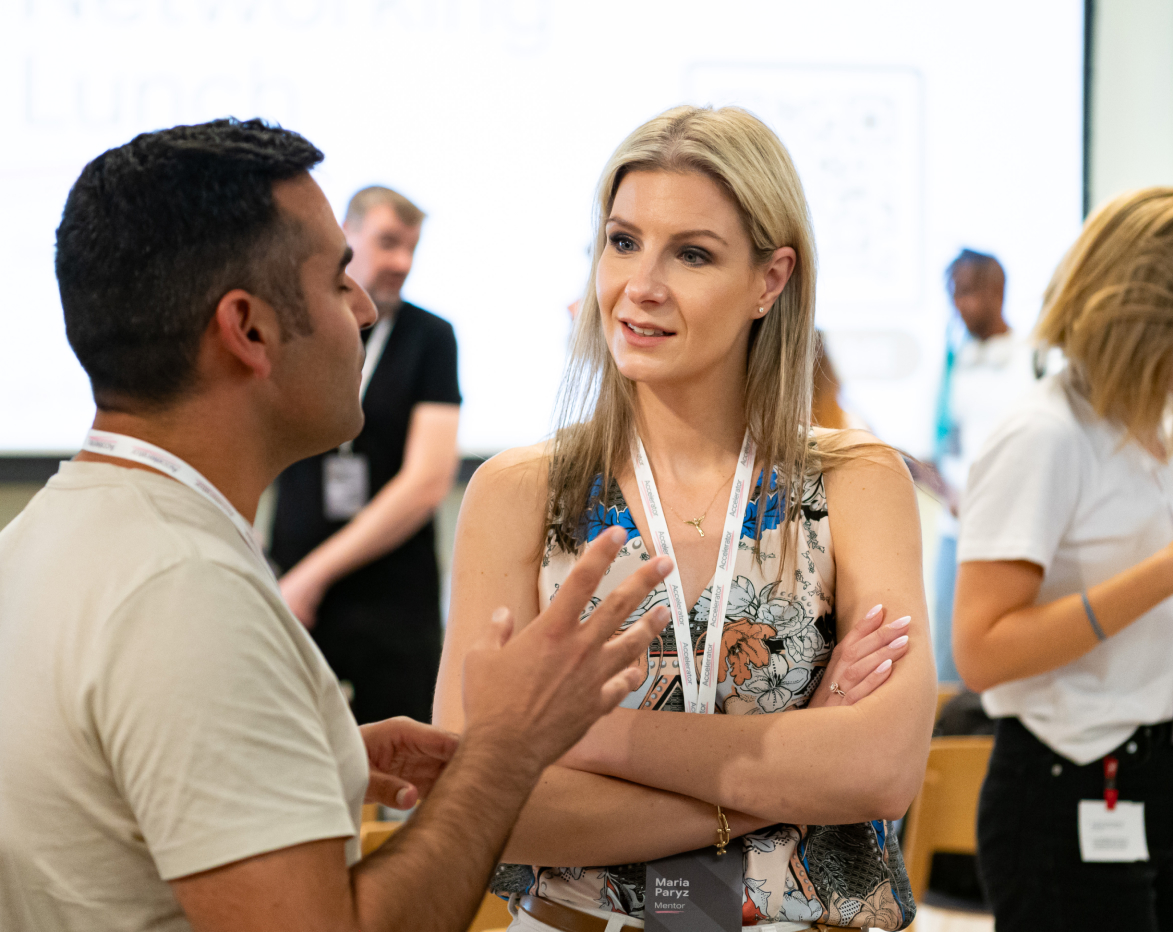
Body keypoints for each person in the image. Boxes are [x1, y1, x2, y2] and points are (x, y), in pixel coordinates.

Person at [0, 118, 673, 932]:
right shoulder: (186, 595)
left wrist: (312, 757)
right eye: (335, 279)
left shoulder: (47, 536)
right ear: (248, 329)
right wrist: (507, 750)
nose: (361, 309)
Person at [435, 105, 937, 932]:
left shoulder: (858, 481)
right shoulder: (518, 493)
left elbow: (881, 768)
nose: (641, 286)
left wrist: (569, 733)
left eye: (692, 254)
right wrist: (789, 766)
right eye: (623, 240)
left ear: (770, 281)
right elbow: (485, 803)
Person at [953, 187, 1173, 932]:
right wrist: (1171, 570)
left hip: (1153, 780)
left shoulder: (1143, 428)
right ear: (1158, 315)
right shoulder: (1045, 436)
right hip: (1069, 790)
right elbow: (980, 651)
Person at [271, 185, 460, 725]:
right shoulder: (302, 323)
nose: (401, 261)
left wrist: (315, 575)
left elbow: (427, 482)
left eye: (411, 248)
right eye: (388, 242)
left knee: (401, 776)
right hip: (294, 594)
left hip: (392, 604)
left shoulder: (431, 338)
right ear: (346, 235)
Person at [930, 250, 1038, 685]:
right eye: (955, 294)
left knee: (1010, 655)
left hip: (1015, 531)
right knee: (950, 653)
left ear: (999, 291)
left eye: (971, 293)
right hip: (957, 530)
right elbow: (934, 450)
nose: (962, 305)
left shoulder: (1035, 361)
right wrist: (949, 494)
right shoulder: (951, 365)